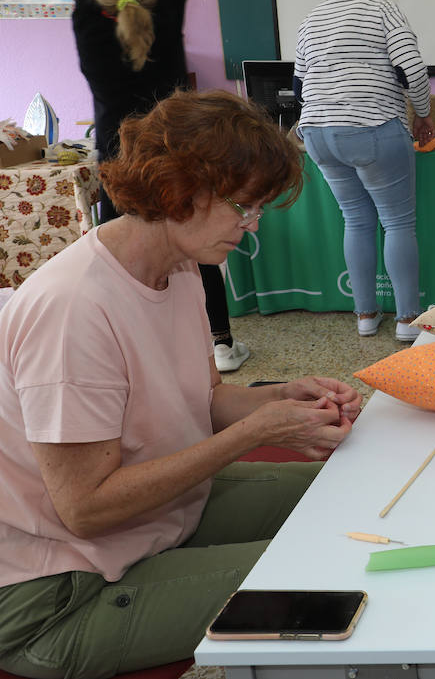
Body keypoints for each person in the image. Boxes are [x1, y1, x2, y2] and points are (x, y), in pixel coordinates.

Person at [0, 90, 360, 679]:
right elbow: (86, 509)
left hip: (151, 525)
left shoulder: (180, 264)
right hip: (57, 596)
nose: (251, 226)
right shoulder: (74, 309)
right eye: (243, 207)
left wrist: (280, 399)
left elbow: (205, 398)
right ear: (179, 189)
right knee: (333, 569)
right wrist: (254, 434)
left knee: (348, 496)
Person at [71, 0, 252, 374]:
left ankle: (130, 345)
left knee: (118, 251)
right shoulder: (165, 21)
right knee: (195, 244)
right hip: (171, 155)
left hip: (119, 161)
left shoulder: (89, 29)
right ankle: (220, 341)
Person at [295, 0, 435, 342]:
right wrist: (423, 114)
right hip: (372, 126)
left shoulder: (311, 18)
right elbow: (412, 68)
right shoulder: (382, 10)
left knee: (355, 220)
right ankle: (408, 319)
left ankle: (365, 317)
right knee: (397, 223)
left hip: (319, 134)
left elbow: (299, 84)